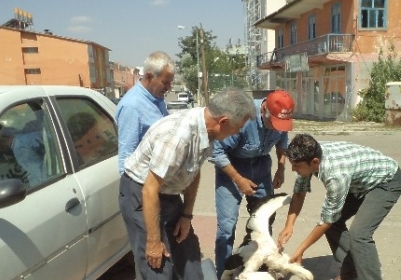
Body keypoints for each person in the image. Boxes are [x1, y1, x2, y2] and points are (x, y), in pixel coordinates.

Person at [120, 87, 256, 280]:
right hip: (143, 196)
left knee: (191, 266)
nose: (237, 132)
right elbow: (150, 190)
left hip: (170, 196)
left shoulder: (207, 131)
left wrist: (186, 215)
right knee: (158, 268)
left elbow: (194, 171)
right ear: (223, 122)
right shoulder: (178, 137)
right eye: (237, 128)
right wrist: (153, 241)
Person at [277, 134, 401, 280]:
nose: (293, 170)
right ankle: (351, 273)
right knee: (334, 224)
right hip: (357, 182)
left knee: (359, 234)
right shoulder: (309, 154)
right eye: (292, 165)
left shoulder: (336, 175)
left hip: (386, 181)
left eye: (297, 166)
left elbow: (327, 220)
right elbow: (299, 194)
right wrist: (289, 225)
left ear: (314, 162)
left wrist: (301, 249)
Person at [212, 90, 295, 279]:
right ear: (264, 109)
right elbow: (217, 152)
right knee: (227, 225)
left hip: (261, 168)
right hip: (232, 168)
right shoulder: (243, 117)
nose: (276, 127)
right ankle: (223, 272)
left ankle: (257, 261)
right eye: (272, 122)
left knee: (266, 219)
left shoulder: (280, 119)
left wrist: (281, 168)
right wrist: (239, 180)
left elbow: (282, 143)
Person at [116, 51, 175, 176]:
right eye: (165, 82)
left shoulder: (157, 99)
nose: (169, 87)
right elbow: (126, 157)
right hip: (143, 185)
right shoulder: (132, 106)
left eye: (170, 82)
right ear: (149, 76)